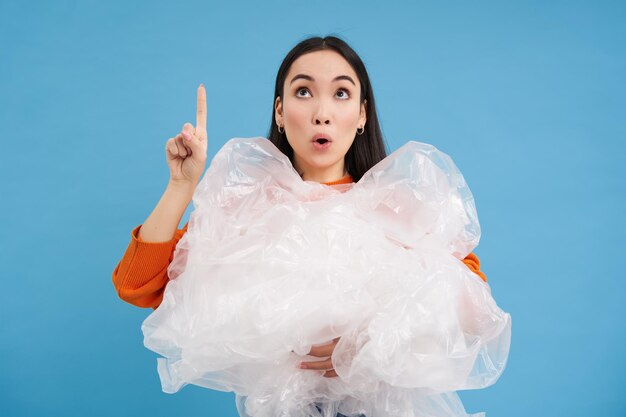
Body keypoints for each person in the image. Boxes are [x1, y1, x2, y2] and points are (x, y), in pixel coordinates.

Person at [112, 36, 496, 416]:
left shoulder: (397, 205)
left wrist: (373, 341)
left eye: (341, 94)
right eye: (304, 92)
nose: (322, 113)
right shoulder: (249, 208)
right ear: (280, 111)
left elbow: (474, 308)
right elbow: (136, 284)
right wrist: (182, 185)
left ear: (362, 115)